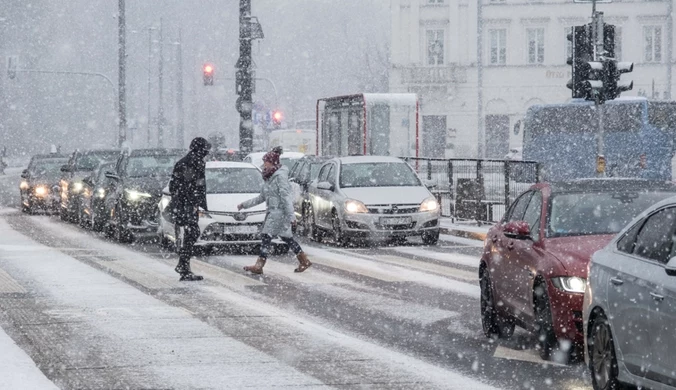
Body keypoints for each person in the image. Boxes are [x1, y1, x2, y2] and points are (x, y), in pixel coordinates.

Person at [238, 147, 311, 274]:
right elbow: (262, 197)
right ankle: (303, 260)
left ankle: (259, 265)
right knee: (286, 238)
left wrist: (291, 216)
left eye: (265, 162)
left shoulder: (279, 177)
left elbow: (286, 198)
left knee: (266, 237)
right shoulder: (269, 178)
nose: (263, 164)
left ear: (272, 163)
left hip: (279, 213)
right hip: (273, 213)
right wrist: (244, 205)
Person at [169, 137, 211, 281]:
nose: (207, 152)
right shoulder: (193, 163)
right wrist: (193, 202)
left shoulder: (186, 161)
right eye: (205, 149)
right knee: (192, 232)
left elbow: (174, 185)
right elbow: (194, 186)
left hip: (186, 204)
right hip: (187, 205)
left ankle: (184, 265)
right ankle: (183, 265)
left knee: (190, 233)